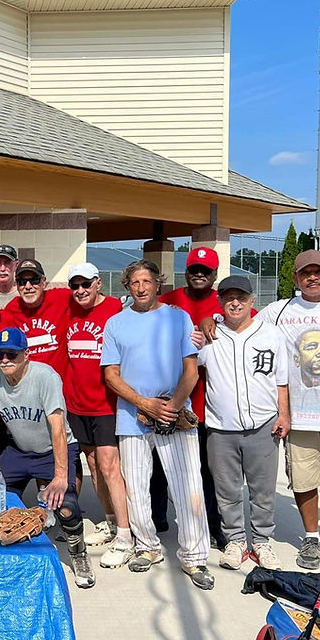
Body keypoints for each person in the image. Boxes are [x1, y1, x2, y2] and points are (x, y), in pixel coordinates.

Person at [203, 250, 320, 581]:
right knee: (303, 481)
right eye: (304, 273)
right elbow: (240, 320)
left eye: (319, 271)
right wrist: (209, 319)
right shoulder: (279, 311)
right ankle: (311, 539)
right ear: (295, 278)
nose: (312, 277)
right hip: (300, 418)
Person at [100, 259, 214, 590]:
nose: (141, 287)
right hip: (133, 415)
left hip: (175, 413)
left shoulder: (178, 318)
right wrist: (144, 404)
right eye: (134, 282)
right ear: (127, 286)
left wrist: (172, 408)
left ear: (157, 283)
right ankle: (148, 546)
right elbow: (111, 375)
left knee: (189, 487)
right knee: (136, 487)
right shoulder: (116, 324)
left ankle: (194, 557)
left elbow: (191, 370)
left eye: (146, 281)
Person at [0, 328, 94, 589]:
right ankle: (3, 560)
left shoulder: (45, 377)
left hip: (53, 450)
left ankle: (79, 555)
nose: (5, 360)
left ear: (26, 355)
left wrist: (60, 476)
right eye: (0, 355)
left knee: (64, 503)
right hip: (19, 450)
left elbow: (57, 427)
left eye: (12, 354)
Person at [197, 275, 289, 571]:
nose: (234, 302)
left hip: (263, 424)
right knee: (227, 490)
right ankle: (235, 540)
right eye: (228, 297)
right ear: (220, 302)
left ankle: (262, 541)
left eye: (241, 297)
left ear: (252, 301)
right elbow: (188, 366)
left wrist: (284, 414)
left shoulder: (272, 334)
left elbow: (282, 380)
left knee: (263, 490)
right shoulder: (210, 335)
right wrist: (204, 321)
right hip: (221, 428)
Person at [58, 263, 133, 569]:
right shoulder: (69, 309)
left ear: (98, 283)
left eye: (86, 284)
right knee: (92, 465)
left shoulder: (117, 308)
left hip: (106, 403)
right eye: (75, 285)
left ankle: (127, 536)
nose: (80, 291)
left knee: (109, 465)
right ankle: (111, 521)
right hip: (77, 403)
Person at [154, 246, 226, 549]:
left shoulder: (225, 302)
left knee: (205, 471)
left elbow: (250, 322)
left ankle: (212, 524)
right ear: (186, 271)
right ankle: (157, 517)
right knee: (159, 465)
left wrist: (216, 315)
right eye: (194, 269)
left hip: (207, 403)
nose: (199, 274)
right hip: (170, 397)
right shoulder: (168, 301)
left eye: (205, 271)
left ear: (214, 275)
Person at [1, 258, 70, 371]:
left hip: (58, 385)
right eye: (22, 282)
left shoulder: (62, 298)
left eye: (34, 280)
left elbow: (89, 298)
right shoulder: (12, 308)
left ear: (44, 282)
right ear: (17, 285)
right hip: (28, 384)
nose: (28, 286)